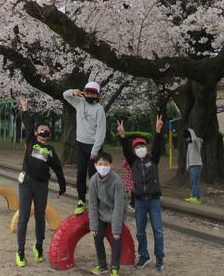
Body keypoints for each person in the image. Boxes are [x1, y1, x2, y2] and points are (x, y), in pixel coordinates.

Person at [15, 96, 66, 268]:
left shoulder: (50, 150)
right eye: (40, 130)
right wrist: (25, 108)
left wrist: (62, 187)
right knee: (23, 217)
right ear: (36, 133)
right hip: (26, 183)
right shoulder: (30, 141)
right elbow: (28, 123)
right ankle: (20, 251)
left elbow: (58, 169)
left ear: (49, 134)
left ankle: (38, 247)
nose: (43, 131)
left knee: (39, 217)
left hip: (41, 186)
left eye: (46, 130)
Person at [118, 116, 165, 271]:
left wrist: (158, 132)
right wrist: (123, 136)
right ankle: (144, 256)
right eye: (136, 147)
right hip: (139, 201)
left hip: (154, 200)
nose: (140, 148)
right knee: (140, 231)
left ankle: (159, 259)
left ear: (146, 146)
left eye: (142, 146)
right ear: (134, 150)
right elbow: (125, 149)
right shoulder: (133, 162)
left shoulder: (153, 159)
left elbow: (158, 147)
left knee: (158, 231)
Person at [63, 82, 107, 215]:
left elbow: (101, 131)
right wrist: (73, 91)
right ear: (84, 93)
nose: (90, 95)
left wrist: (95, 150)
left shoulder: (99, 109)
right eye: (88, 92)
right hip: (80, 144)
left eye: (93, 93)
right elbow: (65, 95)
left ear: (97, 95)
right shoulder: (79, 103)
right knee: (80, 174)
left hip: (94, 146)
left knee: (94, 176)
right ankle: (81, 200)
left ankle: (96, 202)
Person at [88, 151, 125, 276]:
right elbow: (92, 204)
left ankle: (115, 266)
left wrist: (116, 229)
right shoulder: (93, 180)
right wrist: (93, 226)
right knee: (97, 236)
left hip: (115, 210)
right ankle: (102, 265)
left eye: (106, 164)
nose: (103, 167)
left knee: (117, 237)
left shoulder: (117, 181)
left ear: (111, 165)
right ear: (95, 165)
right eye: (100, 164)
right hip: (101, 212)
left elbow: (119, 206)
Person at [184, 128, 203, 204]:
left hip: (197, 165)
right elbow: (188, 156)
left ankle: (197, 198)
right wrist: (187, 166)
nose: (186, 140)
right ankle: (193, 196)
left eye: (187, 137)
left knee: (195, 182)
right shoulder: (190, 144)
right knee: (192, 181)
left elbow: (194, 139)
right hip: (192, 165)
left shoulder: (196, 142)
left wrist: (191, 130)